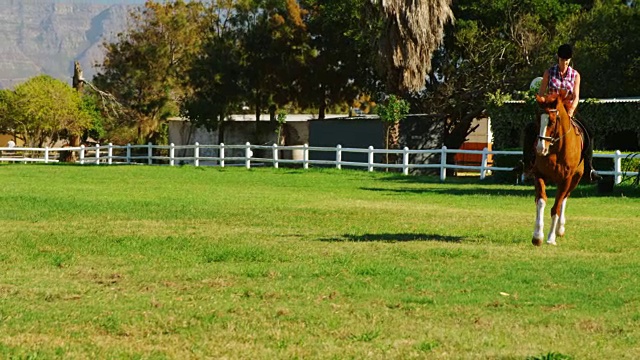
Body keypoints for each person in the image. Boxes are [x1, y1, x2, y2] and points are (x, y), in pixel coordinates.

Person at [524, 44, 602, 183]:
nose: (564, 63)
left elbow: (576, 96)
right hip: (551, 111)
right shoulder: (549, 73)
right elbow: (542, 94)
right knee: (529, 129)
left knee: (589, 132)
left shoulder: (575, 75)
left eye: (566, 61)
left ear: (570, 60)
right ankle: (527, 164)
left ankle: (589, 168)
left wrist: (571, 110)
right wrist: (543, 104)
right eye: (562, 60)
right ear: (558, 58)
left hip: (568, 111)